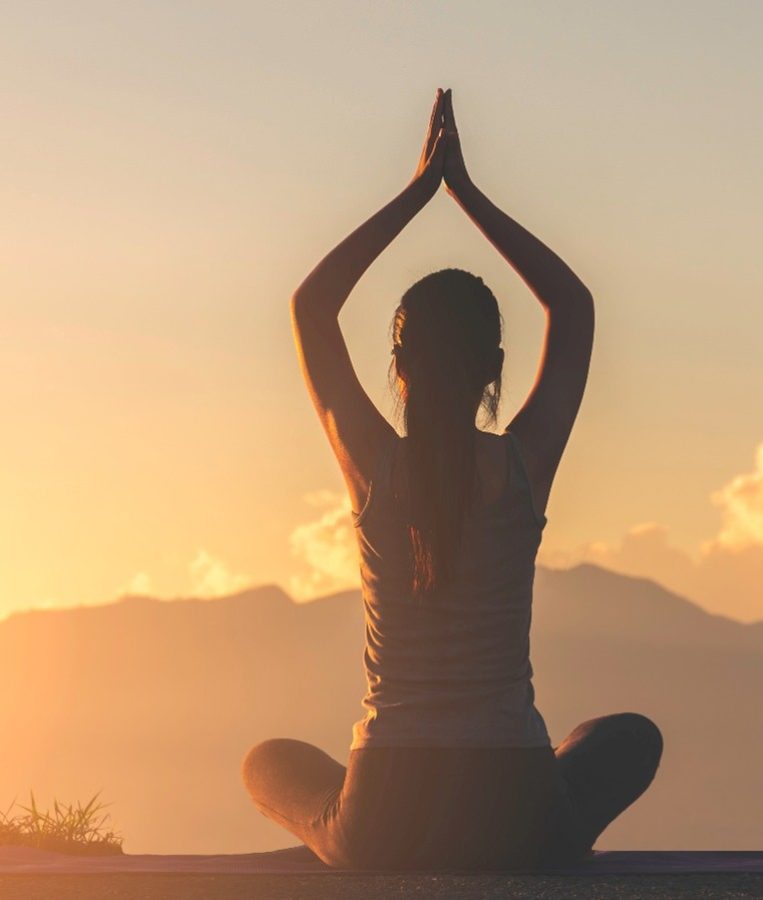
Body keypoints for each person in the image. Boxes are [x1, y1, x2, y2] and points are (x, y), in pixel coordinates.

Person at [242, 88, 663, 872]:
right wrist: (467, 195)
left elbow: (311, 306)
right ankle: (551, 820)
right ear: (494, 371)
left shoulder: (374, 464)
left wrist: (417, 192)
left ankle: (343, 829)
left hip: (383, 817)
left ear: (397, 370)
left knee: (267, 762)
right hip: (520, 811)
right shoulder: (522, 464)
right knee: (627, 738)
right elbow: (572, 307)